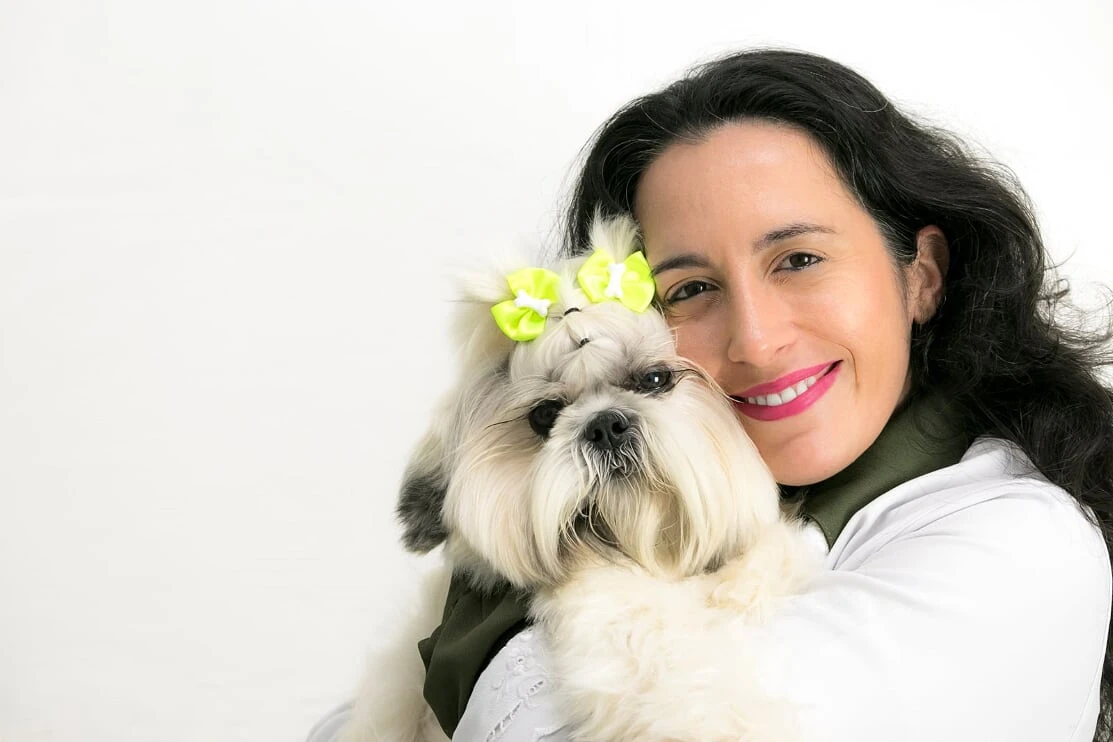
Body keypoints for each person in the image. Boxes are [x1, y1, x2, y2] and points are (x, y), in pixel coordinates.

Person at [312, 49, 1113, 741]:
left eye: (798, 260)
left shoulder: (1020, 544)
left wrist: (511, 603)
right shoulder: (714, 497)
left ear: (922, 276)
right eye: (690, 288)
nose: (755, 340)